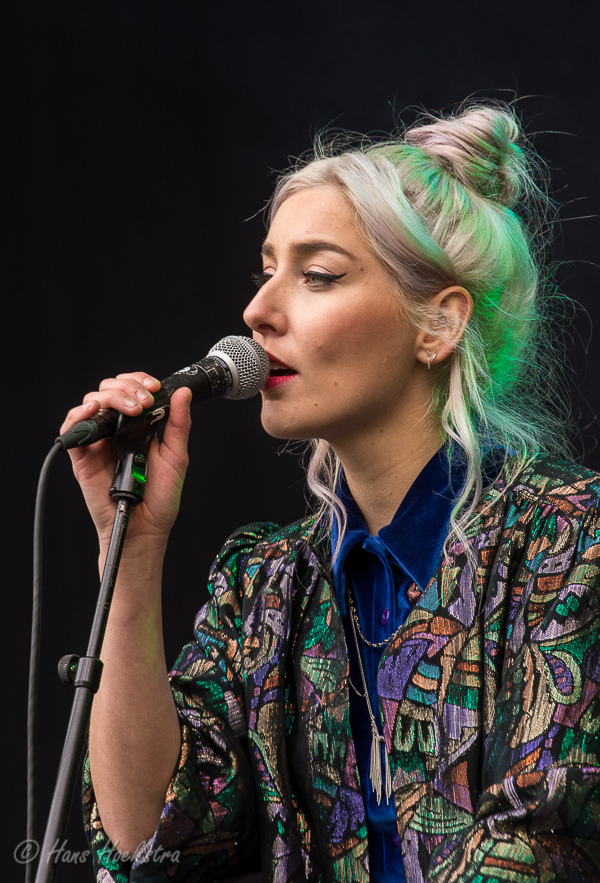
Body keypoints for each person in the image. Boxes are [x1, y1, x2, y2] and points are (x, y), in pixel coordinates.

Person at [61, 102, 600, 882]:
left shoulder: (572, 546)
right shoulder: (264, 587)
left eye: (316, 275)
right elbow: (153, 840)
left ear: (438, 325)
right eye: (266, 271)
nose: (256, 312)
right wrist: (131, 553)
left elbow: (538, 851)